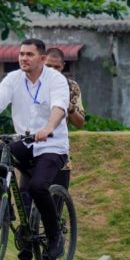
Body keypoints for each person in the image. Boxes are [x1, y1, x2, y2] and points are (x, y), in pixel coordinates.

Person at [0, 38, 69, 260]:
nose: (23, 58)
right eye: (21, 54)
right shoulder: (13, 79)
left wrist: (49, 127)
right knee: (1, 150)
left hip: (51, 145)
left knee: (39, 186)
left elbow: (59, 108)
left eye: (29, 54)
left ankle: (54, 236)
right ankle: (3, 203)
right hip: (24, 142)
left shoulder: (56, 80)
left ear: (42, 59)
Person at [44, 47, 84, 189]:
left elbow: (80, 122)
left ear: (63, 67)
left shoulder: (71, 87)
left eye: (57, 67)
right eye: (48, 66)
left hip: (59, 152)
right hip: (34, 150)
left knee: (56, 204)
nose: (53, 70)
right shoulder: (33, 83)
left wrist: (69, 106)